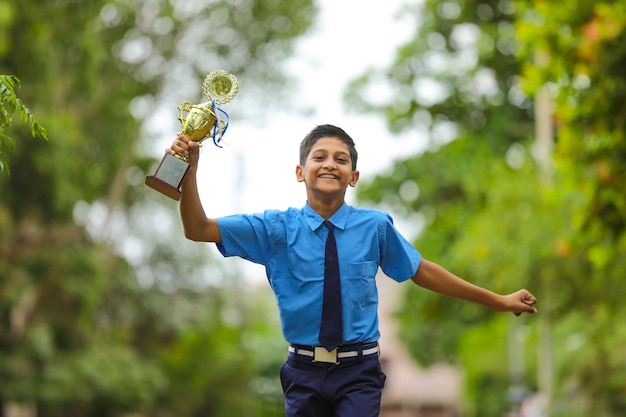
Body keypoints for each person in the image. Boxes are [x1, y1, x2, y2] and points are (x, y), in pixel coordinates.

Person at [167, 124, 538, 417]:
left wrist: (498, 301)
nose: (330, 164)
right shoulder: (273, 229)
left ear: (354, 176)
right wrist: (190, 171)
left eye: (341, 159)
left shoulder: (374, 227)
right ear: (300, 171)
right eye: (320, 157)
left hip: (358, 372)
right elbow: (197, 229)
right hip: (303, 371)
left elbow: (422, 270)